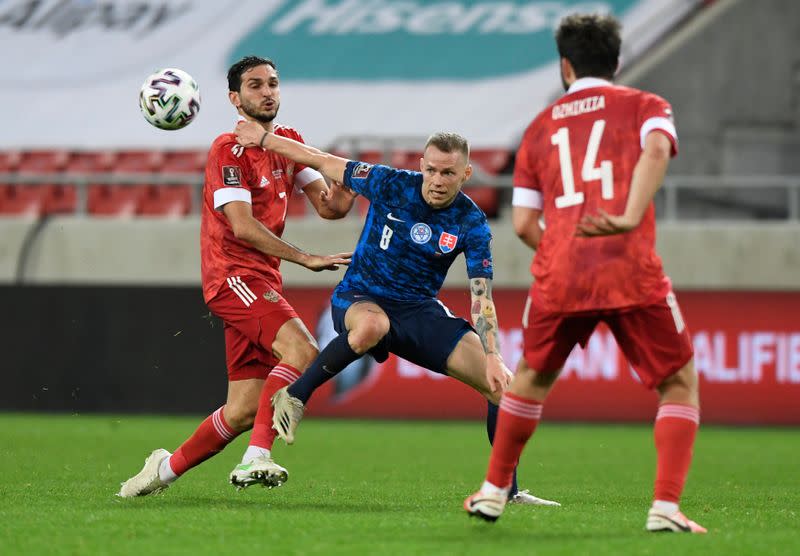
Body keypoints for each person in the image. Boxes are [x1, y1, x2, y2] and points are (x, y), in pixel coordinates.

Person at [463, 13, 706, 533]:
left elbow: (524, 222)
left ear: (565, 66)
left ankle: (492, 491)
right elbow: (659, 148)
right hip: (629, 268)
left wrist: (566, 247)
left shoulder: (538, 126)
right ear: (616, 62)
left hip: (560, 270)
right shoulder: (646, 105)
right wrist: (625, 216)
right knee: (678, 383)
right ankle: (664, 507)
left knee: (530, 380)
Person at [234, 122, 561, 507]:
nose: (437, 180)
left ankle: (508, 489)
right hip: (360, 296)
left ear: (466, 174)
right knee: (373, 325)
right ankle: (295, 396)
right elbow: (321, 160)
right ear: (422, 165)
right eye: (432, 170)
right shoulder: (390, 183)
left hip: (418, 309)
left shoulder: (470, 222)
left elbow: (481, 295)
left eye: (449, 173)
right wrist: (265, 140)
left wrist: (492, 356)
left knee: (502, 385)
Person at [118, 55, 356, 497]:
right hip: (232, 276)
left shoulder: (287, 142)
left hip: (262, 279)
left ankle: (162, 470)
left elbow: (331, 208)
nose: (267, 92)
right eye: (255, 85)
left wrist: (346, 184)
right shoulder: (228, 149)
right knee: (303, 350)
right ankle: (256, 457)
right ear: (235, 98)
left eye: (273, 83)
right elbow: (242, 226)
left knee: (243, 409)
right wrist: (306, 259)